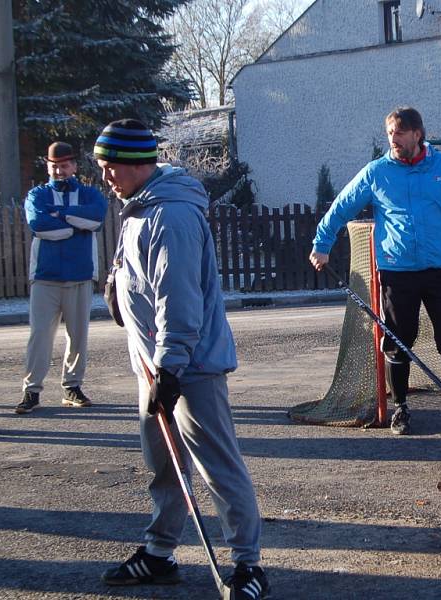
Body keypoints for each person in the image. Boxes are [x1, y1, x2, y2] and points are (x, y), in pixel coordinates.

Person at [94, 119, 269, 599]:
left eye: (111, 168)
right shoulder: (138, 207)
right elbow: (136, 269)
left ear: (137, 164)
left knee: (217, 465)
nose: (106, 177)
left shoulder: (170, 215)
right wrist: (117, 283)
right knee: (163, 463)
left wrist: (171, 368)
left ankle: (247, 566)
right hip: (154, 364)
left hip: (187, 366)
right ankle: (160, 552)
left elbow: (180, 299)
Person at [309, 107, 441, 436]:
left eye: (400, 133)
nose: (394, 139)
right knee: (399, 342)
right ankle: (400, 408)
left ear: (418, 133)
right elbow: (342, 205)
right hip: (397, 273)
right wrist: (322, 243)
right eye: (390, 133)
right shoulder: (376, 172)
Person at [15, 142, 108, 415]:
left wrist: (62, 216)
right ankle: (31, 391)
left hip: (80, 275)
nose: (59, 170)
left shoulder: (90, 194)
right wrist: (74, 225)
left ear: (74, 166)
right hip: (45, 277)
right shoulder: (37, 194)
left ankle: (72, 387)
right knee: (40, 336)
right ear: (47, 166)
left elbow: (97, 218)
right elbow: (39, 225)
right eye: (54, 165)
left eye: (64, 165)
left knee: (78, 336)